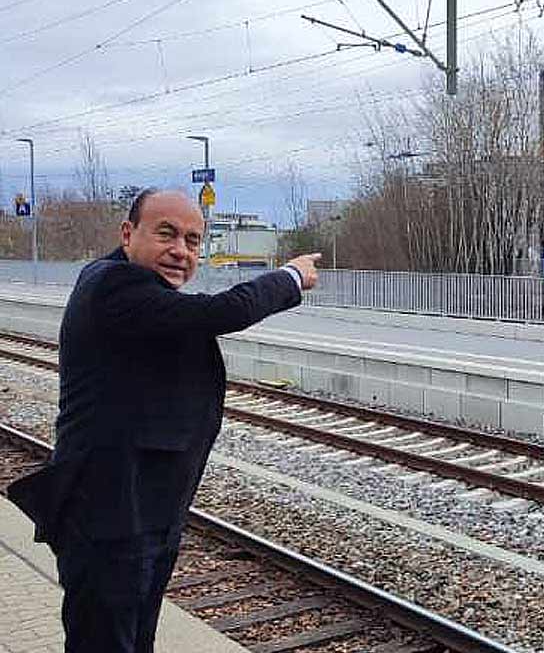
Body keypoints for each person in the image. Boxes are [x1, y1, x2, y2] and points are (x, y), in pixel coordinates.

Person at [7, 188, 321, 653]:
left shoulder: (136, 291)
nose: (181, 251)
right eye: (167, 234)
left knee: (135, 639)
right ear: (128, 234)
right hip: (108, 514)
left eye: (193, 241)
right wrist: (290, 277)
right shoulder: (113, 287)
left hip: (143, 506)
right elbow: (225, 311)